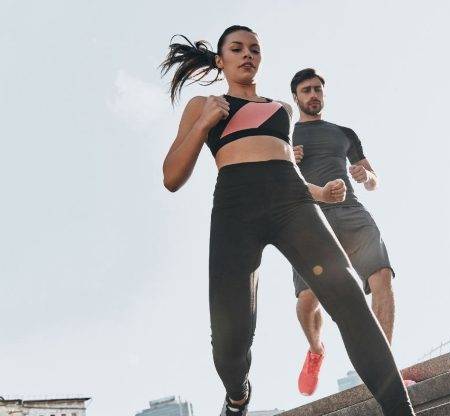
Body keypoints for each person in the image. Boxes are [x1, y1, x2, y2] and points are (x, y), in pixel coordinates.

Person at [160, 25, 415, 416]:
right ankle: (237, 396)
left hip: (292, 203)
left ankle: (400, 410)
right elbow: (171, 177)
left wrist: (320, 194)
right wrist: (202, 124)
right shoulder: (204, 105)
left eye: (254, 49)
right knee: (230, 339)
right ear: (220, 60)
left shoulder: (282, 108)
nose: (247, 54)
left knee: (349, 297)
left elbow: (286, 167)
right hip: (235, 209)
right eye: (237, 48)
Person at [289, 68, 414, 396]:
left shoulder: (344, 133)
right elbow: (273, 180)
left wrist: (366, 176)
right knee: (307, 301)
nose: (313, 94)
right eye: (306, 90)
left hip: (352, 213)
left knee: (382, 277)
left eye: (317, 89)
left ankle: (384, 372)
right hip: (310, 220)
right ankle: (316, 349)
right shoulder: (285, 137)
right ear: (296, 97)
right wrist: (289, 160)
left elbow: (374, 179)